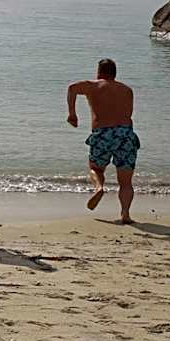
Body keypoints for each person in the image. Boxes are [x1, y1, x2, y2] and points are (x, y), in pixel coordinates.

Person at [67, 58, 140, 224]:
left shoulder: (93, 86)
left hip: (103, 132)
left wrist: (72, 113)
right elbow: (129, 112)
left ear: (99, 72)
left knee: (96, 168)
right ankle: (125, 214)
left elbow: (71, 88)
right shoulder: (127, 89)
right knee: (126, 181)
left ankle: (99, 188)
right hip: (126, 133)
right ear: (115, 73)